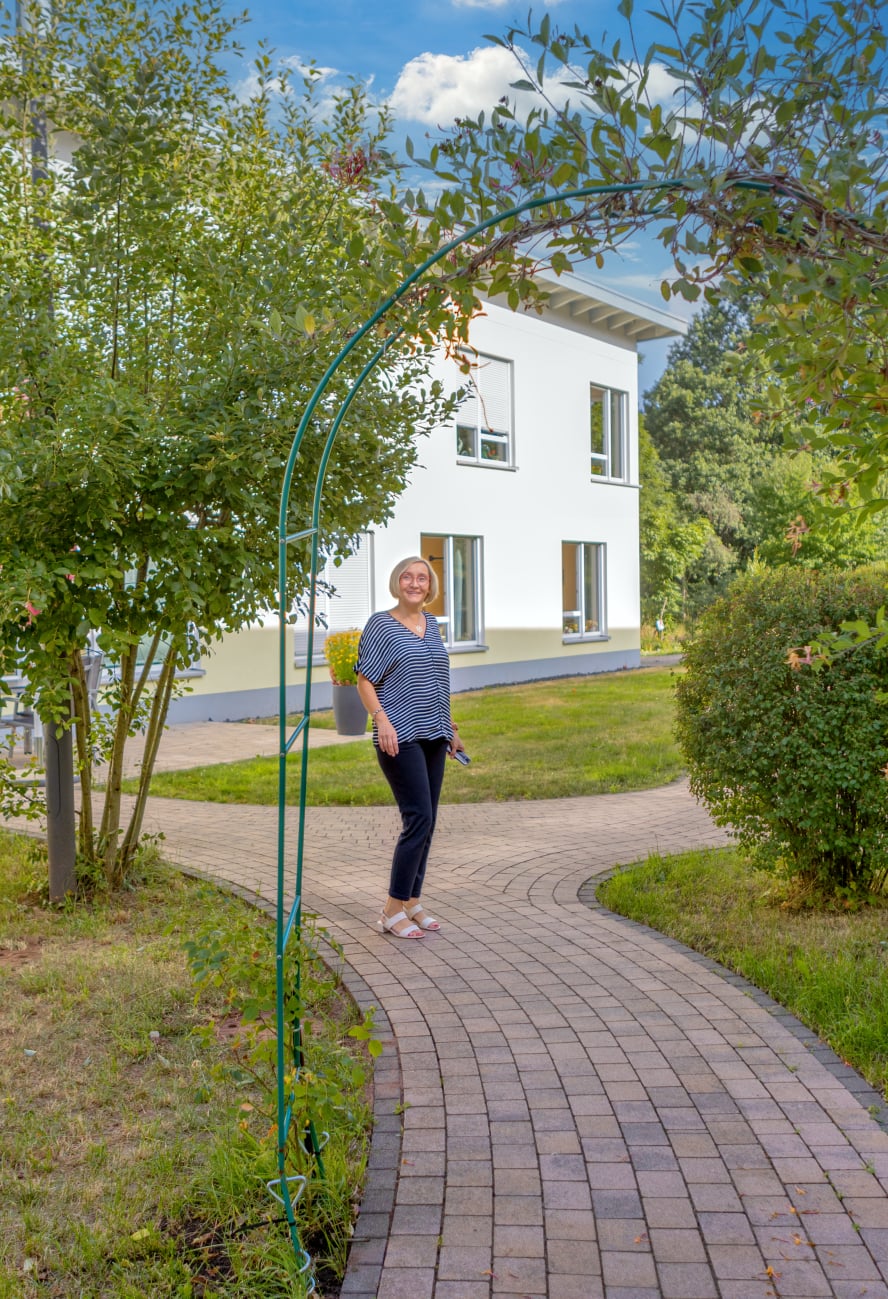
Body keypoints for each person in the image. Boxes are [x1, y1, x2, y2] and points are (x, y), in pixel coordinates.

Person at [356, 556, 466, 939]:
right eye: (408, 576)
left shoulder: (431, 624)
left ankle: (412, 902)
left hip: (434, 732)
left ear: (430, 585)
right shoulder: (381, 625)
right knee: (417, 818)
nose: (414, 583)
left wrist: (449, 726)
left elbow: (435, 678)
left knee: (429, 820)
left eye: (422, 578)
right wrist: (381, 719)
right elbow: (365, 680)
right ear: (397, 582)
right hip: (398, 735)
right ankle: (390, 909)